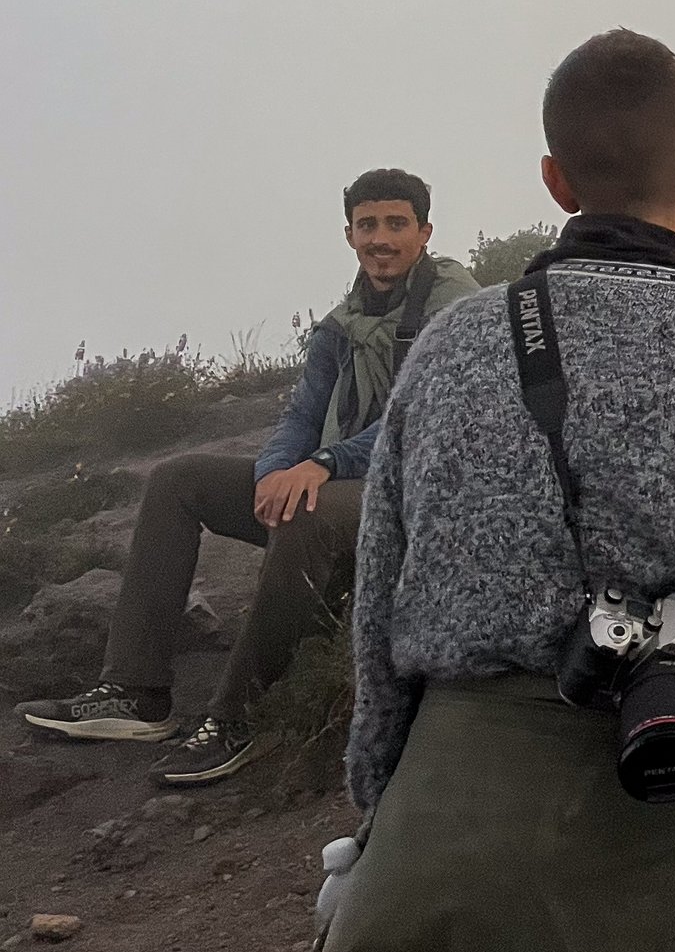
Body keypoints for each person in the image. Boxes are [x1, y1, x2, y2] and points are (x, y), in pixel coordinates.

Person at [294, 29, 675, 952]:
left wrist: (385, 817)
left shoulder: (454, 344)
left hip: (442, 835)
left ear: (555, 181)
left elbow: (378, 618)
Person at [20, 171, 477, 787]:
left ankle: (241, 718)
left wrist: (322, 465)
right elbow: (299, 417)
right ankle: (135, 692)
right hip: (347, 488)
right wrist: (272, 474)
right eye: (368, 225)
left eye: (397, 224)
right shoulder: (340, 325)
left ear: (425, 232)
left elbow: (424, 417)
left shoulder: (456, 308)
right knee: (180, 479)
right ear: (349, 235)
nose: (381, 239)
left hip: (423, 502)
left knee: (308, 510)